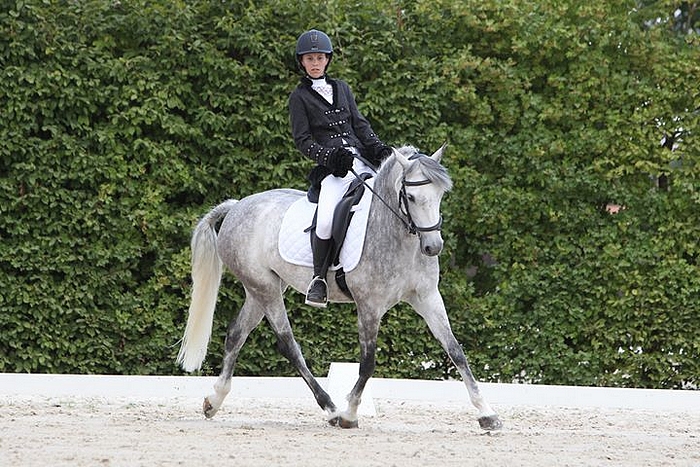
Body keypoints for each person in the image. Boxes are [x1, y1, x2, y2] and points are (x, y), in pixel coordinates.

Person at [289, 29, 392, 308]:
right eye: (309, 58)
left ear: (327, 60)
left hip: (361, 161)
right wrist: (330, 157)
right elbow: (303, 140)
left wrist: (378, 148)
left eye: (320, 58)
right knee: (324, 221)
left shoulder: (343, 88)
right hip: (334, 169)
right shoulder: (299, 97)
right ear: (302, 62)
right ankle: (319, 280)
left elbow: (360, 125)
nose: (315, 62)